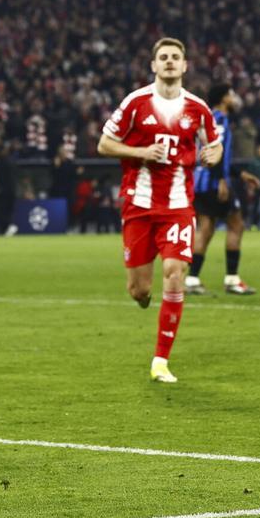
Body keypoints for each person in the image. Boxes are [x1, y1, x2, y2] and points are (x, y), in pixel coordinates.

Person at [96, 38, 221, 383]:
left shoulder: (198, 108)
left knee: (174, 272)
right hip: (138, 205)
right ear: (153, 65)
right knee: (139, 290)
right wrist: (141, 153)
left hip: (178, 206)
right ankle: (143, 295)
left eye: (175, 57)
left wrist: (214, 155)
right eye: (163, 57)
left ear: (184, 66)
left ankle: (161, 361)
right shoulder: (135, 103)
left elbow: (215, 144)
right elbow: (104, 144)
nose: (169, 62)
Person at [186, 83, 260, 295]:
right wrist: (221, 180)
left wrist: (241, 174)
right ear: (223, 98)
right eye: (232, 94)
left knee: (206, 229)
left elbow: (223, 156)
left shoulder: (211, 117)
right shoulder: (218, 119)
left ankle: (191, 279)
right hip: (212, 182)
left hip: (201, 182)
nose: (235, 98)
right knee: (236, 225)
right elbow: (213, 150)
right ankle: (232, 280)